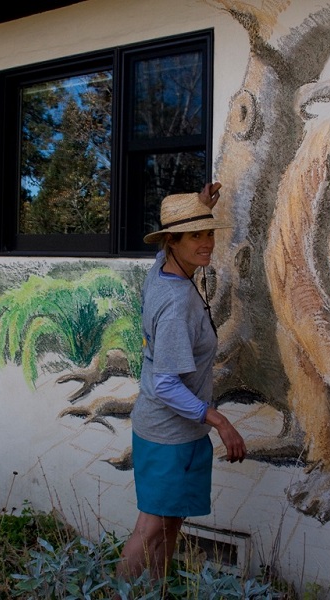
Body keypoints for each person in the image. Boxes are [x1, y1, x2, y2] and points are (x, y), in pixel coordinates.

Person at [116, 182, 247, 584]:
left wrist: (198, 209)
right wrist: (219, 421)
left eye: (208, 232)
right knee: (152, 527)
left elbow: (170, 249)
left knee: (170, 524)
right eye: (196, 235)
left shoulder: (163, 270)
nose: (207, 243)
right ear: (173, 241)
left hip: (174, 432)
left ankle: (155, 591)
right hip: (167, 434)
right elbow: (167, 384)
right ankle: (119, 593)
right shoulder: (175, 305)